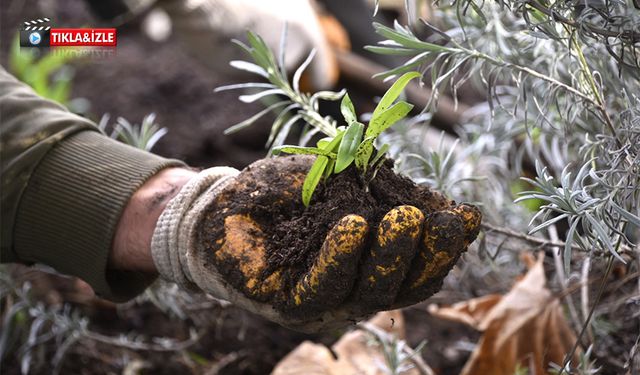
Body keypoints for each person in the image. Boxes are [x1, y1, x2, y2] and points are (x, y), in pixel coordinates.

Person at [1, 0, 481, 332]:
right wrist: (178, 216)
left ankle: (405, 118)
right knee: (50, 37)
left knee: (359, 42)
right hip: (64, 32)